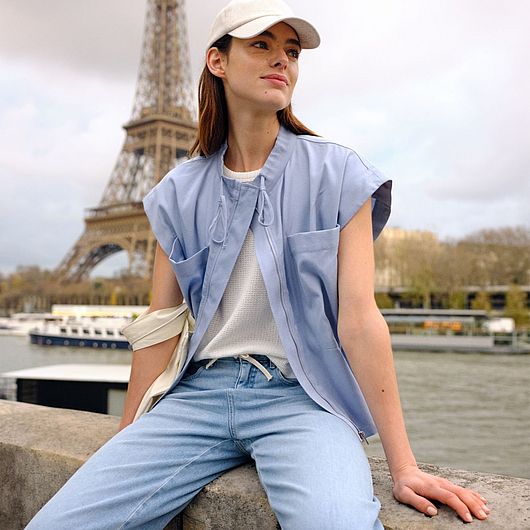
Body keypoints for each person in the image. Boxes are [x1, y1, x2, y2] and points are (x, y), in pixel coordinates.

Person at [26, 0, 491, 528]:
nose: (282, 60)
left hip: (303, 399)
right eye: (261, 45)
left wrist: (403, 466)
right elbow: (160, 326)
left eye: (291, 51)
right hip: (195, 398)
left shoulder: (340, 174)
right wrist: (127, 438)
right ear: (217, 61)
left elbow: (360, 321)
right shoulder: (175, 193)